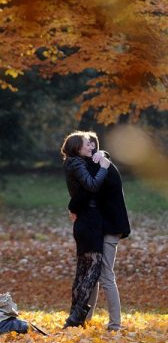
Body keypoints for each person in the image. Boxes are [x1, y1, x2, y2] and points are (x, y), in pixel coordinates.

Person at [68, 131, 130, 331]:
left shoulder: (103, 166)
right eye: (89, 145)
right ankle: (86, 319)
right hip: (100, 226)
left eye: (93, 146)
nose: (92, 148)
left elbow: (89, 190)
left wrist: (73, 207)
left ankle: (115, 324)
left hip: (111, 227)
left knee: (104, 275)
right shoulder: (96, 165)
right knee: (93, 275)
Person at [60, 131, 111, 328]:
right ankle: (77, 316)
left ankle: (74, 315)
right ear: (76, 147)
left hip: (83, 219)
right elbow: (92, 185)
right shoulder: (77, 164)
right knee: (94, 268)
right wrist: (105, 168)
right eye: (87, 144)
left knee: (82, 270)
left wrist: (103, 156)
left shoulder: (74, 162)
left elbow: (83, 187)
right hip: (89, 220)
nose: (92, 147)